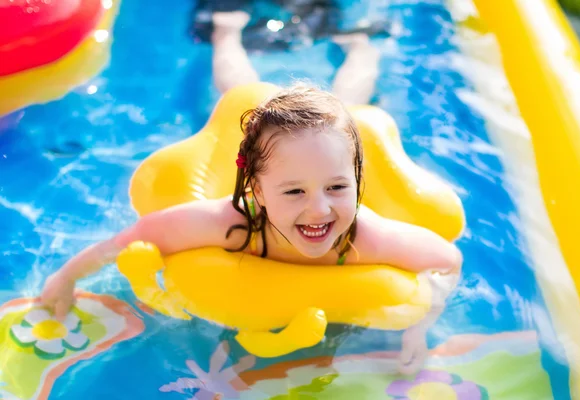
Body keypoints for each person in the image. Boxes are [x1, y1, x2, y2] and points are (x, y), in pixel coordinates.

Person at [40, 11, 463, 374]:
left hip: (318, 137)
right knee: (239, 93)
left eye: (337, 187)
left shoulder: (366, 236)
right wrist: (65, 279)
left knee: (346, 105)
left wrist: (418, 329)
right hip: (265, 134)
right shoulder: (230, 223)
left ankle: (360, 47)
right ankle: (226, 31)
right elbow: (130, 240)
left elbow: (446, 262)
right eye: (294, 191)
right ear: (257, 191)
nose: (320, 209)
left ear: (357, 180)